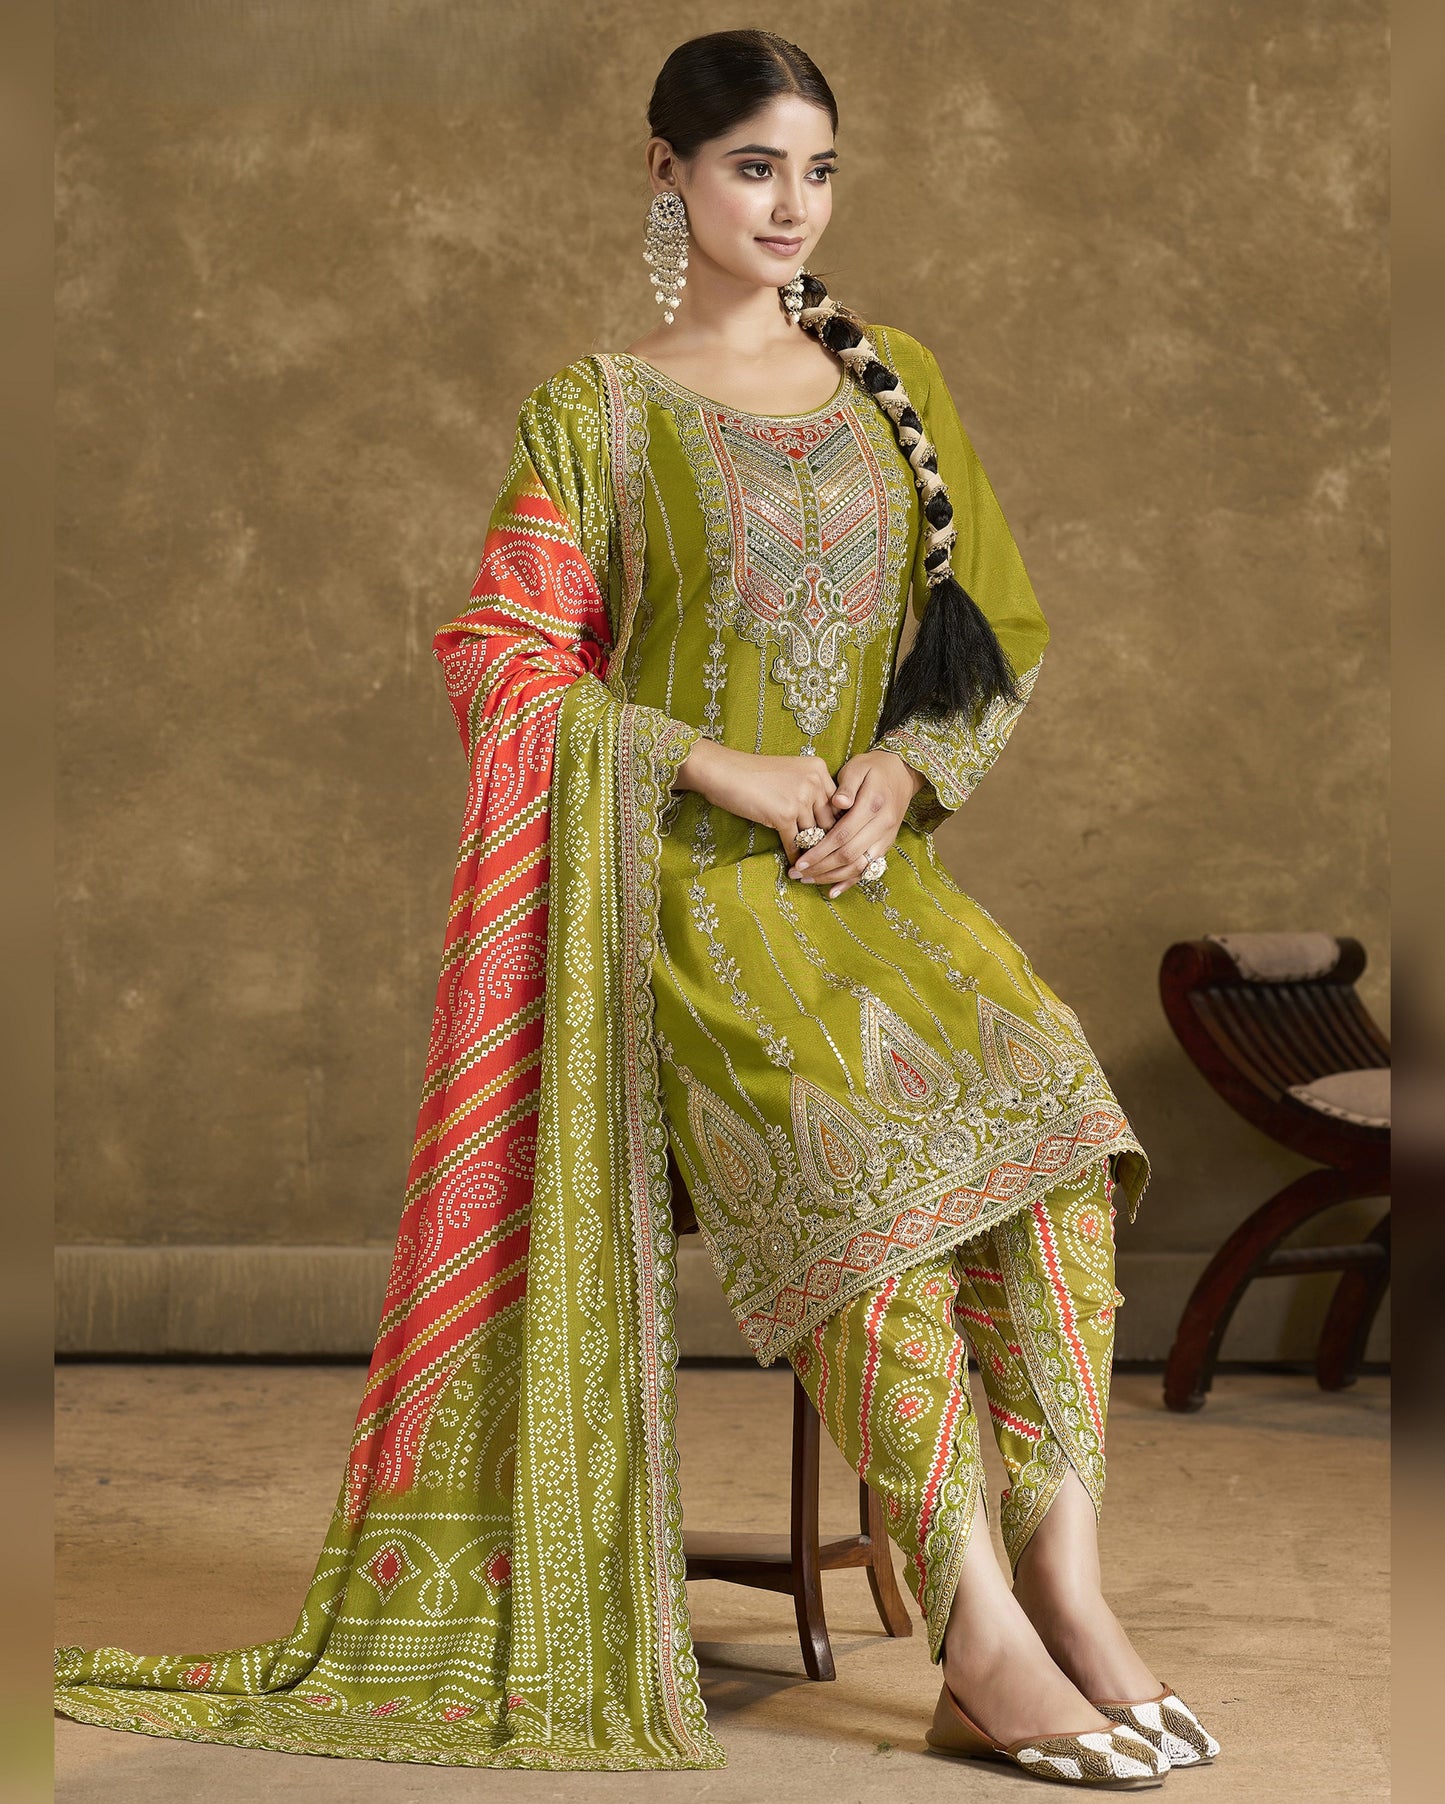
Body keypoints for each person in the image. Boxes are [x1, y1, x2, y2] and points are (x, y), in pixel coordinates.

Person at [54, 29, 1219, 1785]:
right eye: (753, 166)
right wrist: (718, 767)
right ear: (663, 171)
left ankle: (1069, 1583)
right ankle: (976, 1634)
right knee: (866, 1165)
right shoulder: (594, 408)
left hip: (871, 887)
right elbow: (499, 662)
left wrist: (899, 782)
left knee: (1059, 1129)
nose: (789, 203)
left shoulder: (893, 376)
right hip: (673, 905)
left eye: (817, 169)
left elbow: (996, 638)